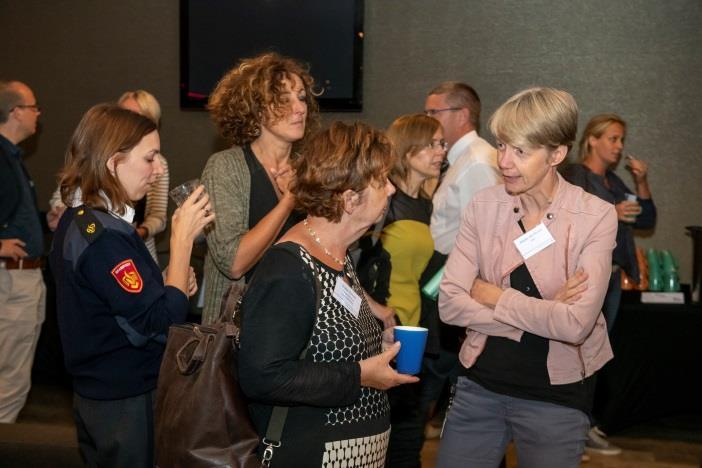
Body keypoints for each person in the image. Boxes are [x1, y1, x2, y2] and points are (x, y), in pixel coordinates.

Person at [437, 87, 618, 468]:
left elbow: (575, 325)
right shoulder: (484, 206)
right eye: (502, 146)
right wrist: (546, 311)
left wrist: (495, 297)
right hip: (478, 386)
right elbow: (450, 303)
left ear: (556, 154)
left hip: (557, 397)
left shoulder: (594, 216)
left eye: (521, 151)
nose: (504, 161)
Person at [238, 121, 418, 467]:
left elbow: (325, 347)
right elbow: (263, 376)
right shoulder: (289, 269)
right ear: (350, 199)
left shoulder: (338, 256)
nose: (393, 189)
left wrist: (377, 346)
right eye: (382, 180)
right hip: (308, 454)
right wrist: (362, 374)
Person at [49, 104, 213, 467]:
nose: (158, 170)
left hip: (104, 394)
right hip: (125, 399)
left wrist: (169, 281)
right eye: (150, 158)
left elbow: (123, 302)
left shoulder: (83, 221)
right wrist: (183, 239)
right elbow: (159, 323)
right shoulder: (104, 237)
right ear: (113, 162)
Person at [199, 52, 318, 325]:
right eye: (284, 100)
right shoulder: (226, 167)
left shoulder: (308, 171)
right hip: (241, 331)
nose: (299, 108)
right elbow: (234, 262)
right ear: (257, 109)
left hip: (298, 324)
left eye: (301, 97)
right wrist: (289, 200)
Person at [562, 114, 656, 456]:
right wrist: (609, 213)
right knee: (575, 352)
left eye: (621, 140)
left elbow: (647, 219)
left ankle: (581, 426)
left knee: (593, 355)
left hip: (611, 277)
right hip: (584, 277)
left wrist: (642, 182)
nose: (619, 147)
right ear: (592, 140)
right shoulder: (575, 176)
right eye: (613, 139)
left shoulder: (616, 182)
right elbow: (566, 219)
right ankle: (571, 431)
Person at [381, 114, 447, 467]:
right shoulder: (384, 198)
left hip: (413, 326)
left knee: (408, 430)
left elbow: (422, 270)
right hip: (382, 325)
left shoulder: (423, 202)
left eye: (443, 144)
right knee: (389, 430)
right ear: (408, 151)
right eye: (434, 144)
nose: (441, 151)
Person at [47, 90, 169, 265]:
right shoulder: (100, 230)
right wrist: (182, 242)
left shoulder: (156, 165)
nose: (158, 170)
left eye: (137, 118)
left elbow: (158, 215)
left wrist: (138, 232)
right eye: (124, 115)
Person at [0, 80, 45, 423]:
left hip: (23, 278)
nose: (38, 114)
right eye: (33, 107)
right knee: (9, 379)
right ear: (14, 112)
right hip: (11, 282)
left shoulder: (12, 156)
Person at [425, 81, 501, 256]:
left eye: (434, 113)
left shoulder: (477, 163)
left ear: (462, 116)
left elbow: (484, 234)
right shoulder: (458, 159)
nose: (427, 120)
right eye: (426, 113)